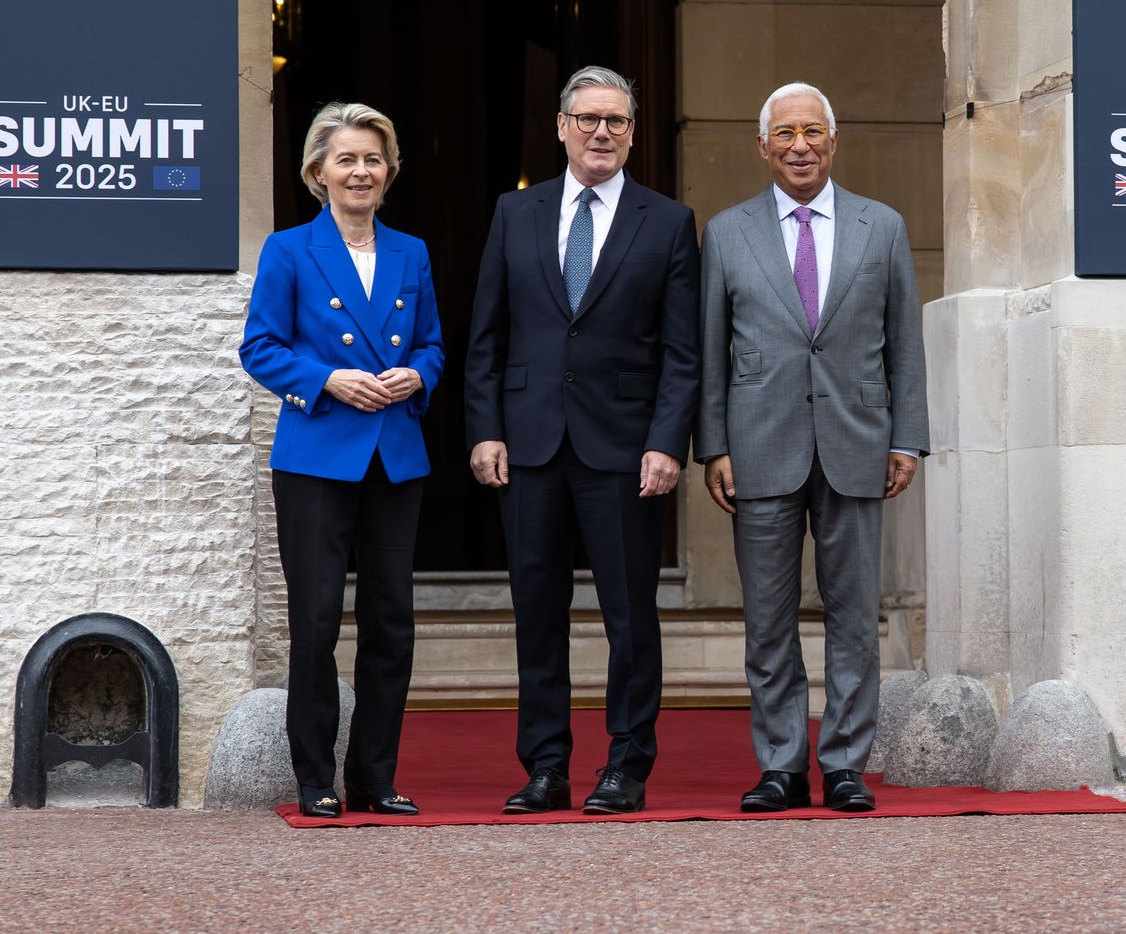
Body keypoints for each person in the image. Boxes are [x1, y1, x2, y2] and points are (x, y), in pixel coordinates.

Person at [465, 65, 700, 815]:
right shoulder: (515, 212)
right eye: (589, 119)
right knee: (538, 611)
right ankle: (545, 766)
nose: (603, 132)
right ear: (562, 126)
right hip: (529, 445)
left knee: (629, 615)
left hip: (626, 449)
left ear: (632, 132)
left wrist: (668, 441)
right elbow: (487, 334)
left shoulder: (666, 221)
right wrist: (486, 428)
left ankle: (627, 765)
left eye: (618, 122)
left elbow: (682, 351)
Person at [696, 81, 929, 813]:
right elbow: (710, 350)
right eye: (786, 134)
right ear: (763, 146)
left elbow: (905, 345)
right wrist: (714, 445)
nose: (801, 145)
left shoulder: (881, 226)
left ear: (833, 140)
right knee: (767, 618)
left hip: (859, 441)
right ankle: (781, 766)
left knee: (854, 614)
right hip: (759, 445)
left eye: (814, 132)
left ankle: (846, 766)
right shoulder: (728, 233)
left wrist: (909, 439)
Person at [240, 102, 444, 818]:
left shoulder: (411, 252)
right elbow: (259, 348)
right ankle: (314, 775)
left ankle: (375, 776)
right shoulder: (289, 250)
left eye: (373, 159)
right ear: (317, 171)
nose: (361, 172)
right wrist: (326, 378)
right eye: (347, 159)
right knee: (318, 619)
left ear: (389, 173)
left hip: (393, 454)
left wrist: (419, 375)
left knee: (392, 621)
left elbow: (432, 346)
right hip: (317, 455)